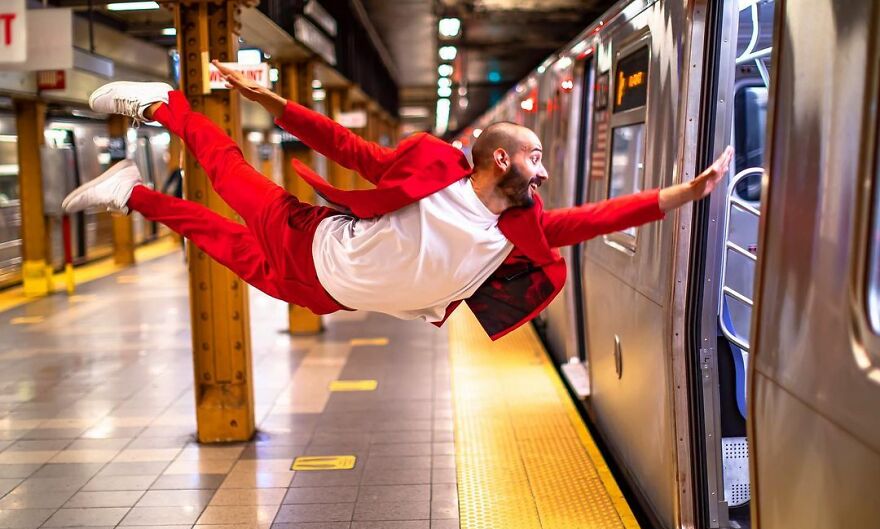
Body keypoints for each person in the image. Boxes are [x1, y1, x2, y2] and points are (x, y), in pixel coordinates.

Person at [62, 63, 733, 341]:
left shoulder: (519, 230)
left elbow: (600, 218)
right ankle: (165, 102)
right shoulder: (435, 168)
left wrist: (681, 194)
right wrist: (275, 105)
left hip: (325, 293)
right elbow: (350, 149)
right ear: (500, 159)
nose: (545, 168)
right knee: (227, 168)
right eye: (536, 155)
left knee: (223, 245)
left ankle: (135, 192)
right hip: (312, 240)